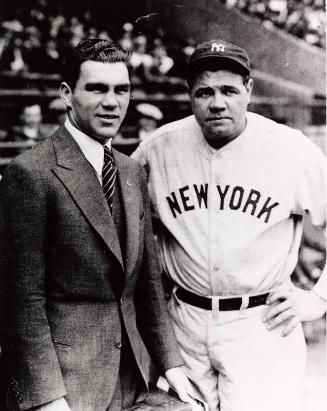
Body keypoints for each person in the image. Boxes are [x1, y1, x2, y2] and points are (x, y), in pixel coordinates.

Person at [132, 38, 327, 411]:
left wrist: (318, 298)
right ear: (189, 93)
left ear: (249, 91)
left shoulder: (290, 148)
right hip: (183, 323)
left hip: (262, 323)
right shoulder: (158, 148)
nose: (217, 102)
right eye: (204, 91)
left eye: (229, 90)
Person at [0, 39, 195, 411]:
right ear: (67, 94)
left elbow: (148, 285)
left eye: (121, 90)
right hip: (66, 386)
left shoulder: (131, 171)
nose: (112, 102)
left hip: (132, 376)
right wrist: (47, 399)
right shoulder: (30, 173)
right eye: (97, 88)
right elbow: (21, 301)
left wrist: (173, 366)